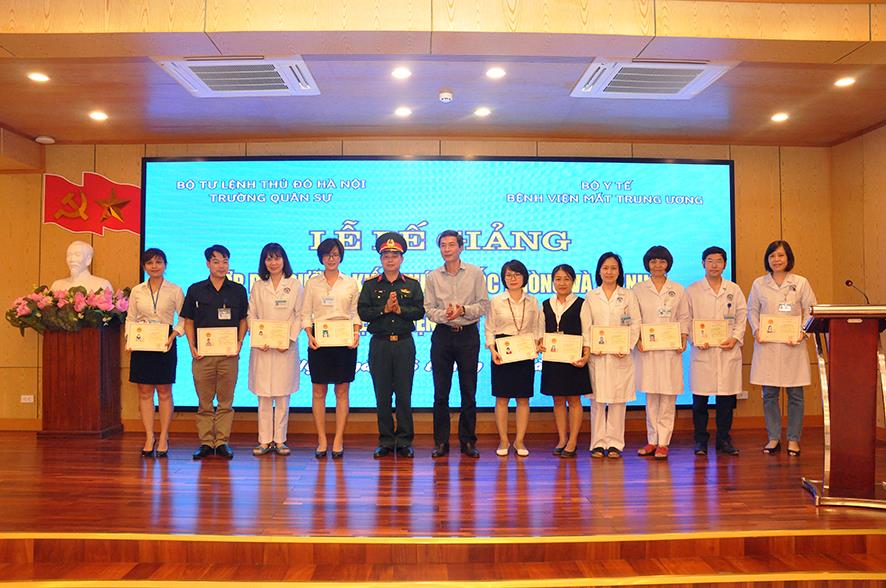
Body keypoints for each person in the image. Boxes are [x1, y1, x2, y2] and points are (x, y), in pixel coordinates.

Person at [357, 232, 424, 459]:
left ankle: (404, 441)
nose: (390, 260)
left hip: (404, 345)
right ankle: (385, 440)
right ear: (381, 259)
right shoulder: (370, 285)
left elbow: (420, 311)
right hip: (380, 345)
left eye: (395, 256)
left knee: (404, 394)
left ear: (402, 259)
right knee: (382, 395)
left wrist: (400, 310)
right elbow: (363, 312)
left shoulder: (412, 285)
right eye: (386, 256)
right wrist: (384, 309)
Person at [425, 230, 490, 459]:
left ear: (460, 247)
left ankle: (468, 441)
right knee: (440, 392)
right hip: (442, 335)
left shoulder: (475, 273)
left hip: (467, 335)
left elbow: (484, 305)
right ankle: (441, 442)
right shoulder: (433, 277)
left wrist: (463, 310)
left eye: (451, 244)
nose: (447, 249)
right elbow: (429, 309)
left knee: (468, 391)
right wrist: (445, 315)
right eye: (443, 245)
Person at [748, 240, 817, 457]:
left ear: (788, 258)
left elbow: (811, 310)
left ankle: (794, 439)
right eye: (772, 256)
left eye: (780, 255)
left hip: (792, 346)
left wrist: (803, 333)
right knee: (769, 395)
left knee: (795, 394)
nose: (776, 260)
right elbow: (752, 310)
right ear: (767, 259)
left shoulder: (801, 282)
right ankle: (774, 437)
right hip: (768, 346)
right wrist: (757, 331)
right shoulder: (759, 284)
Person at [181, 244, 248, 460]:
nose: (221, 266)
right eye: (216, 261)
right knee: (205, 402)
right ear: (208, 264)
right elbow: (188, 321)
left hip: (229, 356)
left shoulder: (238, 290)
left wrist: (239, 343)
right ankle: (206, 442)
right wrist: (192, 346)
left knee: (226, 402)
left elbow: (243, 320)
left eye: (225, 261)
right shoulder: (195, 290)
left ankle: (222, 442)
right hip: (203, 356)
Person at [302, 238, 361, 459]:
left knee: (342, 391)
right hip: (320, 341)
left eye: (335, 254)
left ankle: (338, 439)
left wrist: (356, 334)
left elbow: (356, 313)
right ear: (321, 258)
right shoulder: (312, 283)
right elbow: (305, 313)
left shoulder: (350, 283)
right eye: (327, 255)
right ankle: (322, 439)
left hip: (345, 342)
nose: (331, 259)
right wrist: (309, 335)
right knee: (319, 392)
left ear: (341, 257)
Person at [686, 246, 747, 457]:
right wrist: (696, 339)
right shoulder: (692, 290)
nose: (714, 265)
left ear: (725, 264)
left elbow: (742, 317)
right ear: (703, 263)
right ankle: (700, 440)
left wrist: (735, 338)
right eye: (710, 261)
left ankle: (723, 439)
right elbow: (687, 319)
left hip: (727, 351)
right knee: (700, 402)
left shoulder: (734, 289)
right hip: (703, 352)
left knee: (726, 401)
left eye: (718, 261)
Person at [632, 246, 690, 460]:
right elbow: (634, 318)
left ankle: (664, 442)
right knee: (651, 396)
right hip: (648, 350)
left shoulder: (678, 289)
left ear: (668, 264)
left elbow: (684, 317)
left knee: (667, 396)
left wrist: (683, 338)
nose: (657, 265)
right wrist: (638, 339)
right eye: (653, 261)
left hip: (670, 350)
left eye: (662, 261)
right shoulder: (638, 289)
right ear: (647, 264)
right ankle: (652, 440)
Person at [125, 248, 184, 458]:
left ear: (165, 265)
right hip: (142, 342)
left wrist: (174, 335)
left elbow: (184, 318)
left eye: (158, 262)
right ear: (144, 266)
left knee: (165, 391)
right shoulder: (137, 291)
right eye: (150, 262)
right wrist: (129, 338)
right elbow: (130, 318)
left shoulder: (175, 290)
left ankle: (164, 436)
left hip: (165, 341)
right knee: (144, 391)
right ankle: (149, 436)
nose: (154, 266)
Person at [247, 243, 304, 457]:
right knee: (263, 396)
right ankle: (264, 440)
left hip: (284, 347)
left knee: (282, 396)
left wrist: (288, 339)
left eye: (277, 258)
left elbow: (300, 314)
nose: (273, 263)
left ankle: (280, 440)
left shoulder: (295, 284)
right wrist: (258, 336)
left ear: (284, 260)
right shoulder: (258, 285)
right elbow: (251, 314)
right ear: (264, 262)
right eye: (269, 258)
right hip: (262, 347)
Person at [485, 260, 542, 457]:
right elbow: (489, 328)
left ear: (524, 277)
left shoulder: (533, 301)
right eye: (508, 275)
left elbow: (537, 327)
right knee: (502, 398)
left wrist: (537, 345)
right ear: (503, 278)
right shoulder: (496, 301)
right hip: (503, 349)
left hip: (525, 350)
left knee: (523, 399)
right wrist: (492, 350)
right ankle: (503, 440)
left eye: (517, 274)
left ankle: (519, 441)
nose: (513, 278)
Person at [586, 252, 641, 459]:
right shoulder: (592, 296)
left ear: (619, 271)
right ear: (599, 271)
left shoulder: (628, 295)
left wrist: (626, 346)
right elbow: (587, 325)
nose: (609, 272)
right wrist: (591, 346)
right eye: (605, 268)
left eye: (613, 268)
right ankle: (598, 444)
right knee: (598, 402)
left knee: (618, 402)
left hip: (620, 355)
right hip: (598, 355)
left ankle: (615, 444)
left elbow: (635, 323)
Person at [539, 264, 591, 458]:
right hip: (553, 358)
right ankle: (562, 439)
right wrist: (539, 343)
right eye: (558, 279)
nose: (562, 283)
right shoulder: (545, 304)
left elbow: (587, 331)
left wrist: (586, 354)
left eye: (566, 279)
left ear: (573, 281)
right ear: (553, 281)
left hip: (573, 359)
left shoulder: (582, 303)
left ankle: (573, 441)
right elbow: (540, 331)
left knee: (574, 399)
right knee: (558, 399)